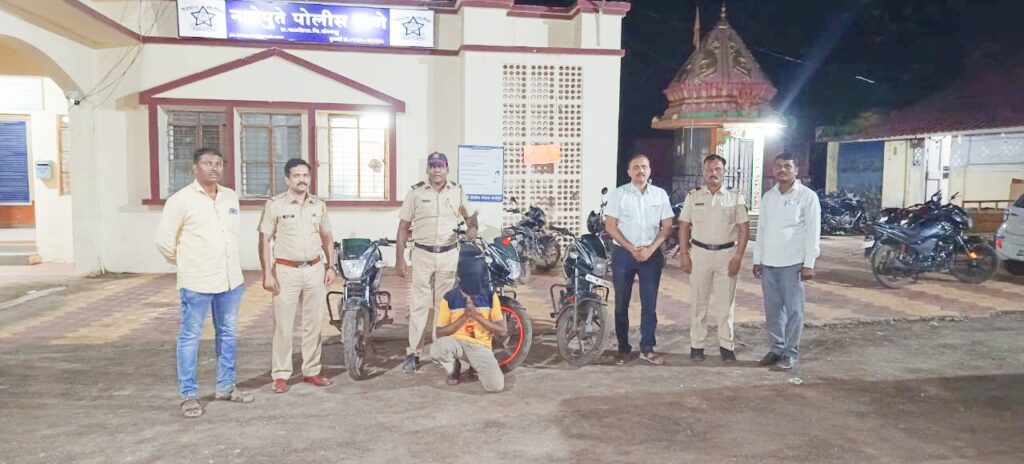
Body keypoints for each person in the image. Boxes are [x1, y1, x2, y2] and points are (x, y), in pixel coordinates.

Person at [155, 147, 253, 419]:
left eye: (218, 163)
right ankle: (188, 395)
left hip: (230, 280)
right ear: (194, 168)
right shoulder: (180, 200)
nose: (214, 168)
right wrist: (187, 263)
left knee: (228, 334)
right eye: (207, 163)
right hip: (197, 282)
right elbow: (164, 242)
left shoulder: (230, 196)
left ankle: (226, 387)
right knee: (190, 337)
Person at [258, 158, 336, 393]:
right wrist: (267, 274)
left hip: (314, 270)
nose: (302, 180)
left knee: (314, 324)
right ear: (287, 179)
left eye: (305, 175)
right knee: (283, 325)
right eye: (296, 175)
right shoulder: (275, 205)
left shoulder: (318, 205)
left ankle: (311, 370)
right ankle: (281, 374)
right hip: (286, 271)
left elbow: (327, 237)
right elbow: (264, 240)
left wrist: (330, 266)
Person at [395, 152, 478, 373]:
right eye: (432, 166)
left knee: (443, 306)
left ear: (447, 169)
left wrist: (473, 227)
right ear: (428, 170)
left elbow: (471, 216)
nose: (436, 170)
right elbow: (403, 227)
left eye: (440, 166)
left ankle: (440, 352)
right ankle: (413, 353)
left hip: (448, 256)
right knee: (419, 306)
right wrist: (399, 258)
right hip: (422, 255)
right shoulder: (415, 193)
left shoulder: (457, 191)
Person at [752, 152, 821, 371]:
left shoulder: (807, 196)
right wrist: (757, 259)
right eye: (778, 166)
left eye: (787, 166)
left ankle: (791, 353)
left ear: (796, 170)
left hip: (793, 264)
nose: (782, 170)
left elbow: (813, 231)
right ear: (773, 169)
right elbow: (762, 230)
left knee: (794, 311)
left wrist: (809, 262)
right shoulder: (768, 197)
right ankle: (776, 348)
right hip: (769, 263)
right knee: (773, 311)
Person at [678, 154, 750, 363]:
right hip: (699, 255)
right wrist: (684, 254)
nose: (713, 173)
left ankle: (726, 346)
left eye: (718, 169)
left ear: (724, 172)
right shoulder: (693, 196)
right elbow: (684, 226)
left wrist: (738, 257)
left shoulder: (735, 197)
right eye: (709, 169)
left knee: (725, 304)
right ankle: (697, 345)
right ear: (703, 172)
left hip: (727, 255)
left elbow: (744, 229)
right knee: (698, 303)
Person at [605, 154, 675, 365]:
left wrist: (650, 249)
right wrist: (631, 248)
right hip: (623, 254)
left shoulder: (659, 195)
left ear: (649, 170)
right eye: (636, 167)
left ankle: (647, 347)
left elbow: (667, 226)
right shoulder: (619, 194)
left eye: (644, 167)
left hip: (651, 255)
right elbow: (610, 226)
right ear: (629, 172)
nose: (640, 170)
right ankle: (623, 349)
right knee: (621, 303)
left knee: (649, 304)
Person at [431, 254, 507, 392]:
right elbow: (440, 333)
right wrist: (465, 316)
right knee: (438, 348)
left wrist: (476, 316)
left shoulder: (490, 296)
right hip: (456, 344)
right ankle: (454, 366)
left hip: (480, 346)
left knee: (495, 386)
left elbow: (502, 331)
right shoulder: (449, 297)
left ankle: (475, 365)